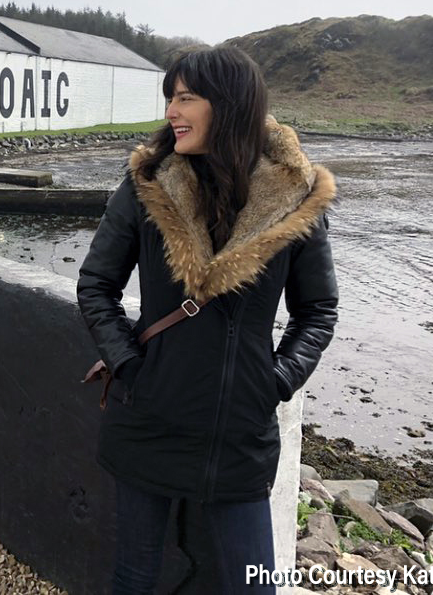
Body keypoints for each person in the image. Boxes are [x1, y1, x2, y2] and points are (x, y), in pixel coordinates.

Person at [77, 46, 338, 594]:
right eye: (170, 97)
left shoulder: (295, 195)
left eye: (186, 97)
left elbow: (317, 309)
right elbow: (96, 284)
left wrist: (275, 381)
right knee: (134, 577)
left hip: (238, 432)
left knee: (252, 586)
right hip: (149, 416)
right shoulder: (148, 182)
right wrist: (129, 365)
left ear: (231, 105)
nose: (171, 110)